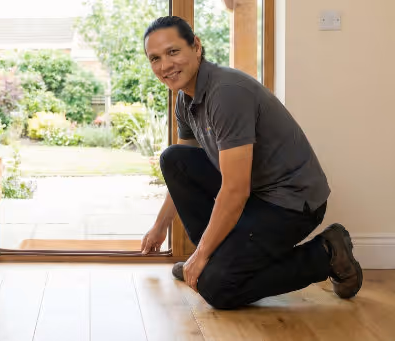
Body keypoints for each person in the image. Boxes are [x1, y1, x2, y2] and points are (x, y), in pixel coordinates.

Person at [139, 16, 363, 309]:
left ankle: (326, 253)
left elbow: (235, 189)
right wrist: (160, 226)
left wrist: (201, 255)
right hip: (256, 196)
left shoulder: (226, 93)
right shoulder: (186, 99)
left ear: (196, 47)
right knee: (174, 159)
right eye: (155, 58)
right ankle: (215, 260)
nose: (165, 65)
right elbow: (183, 169)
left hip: (291, 203)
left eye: (173, 52)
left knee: (217, 288)